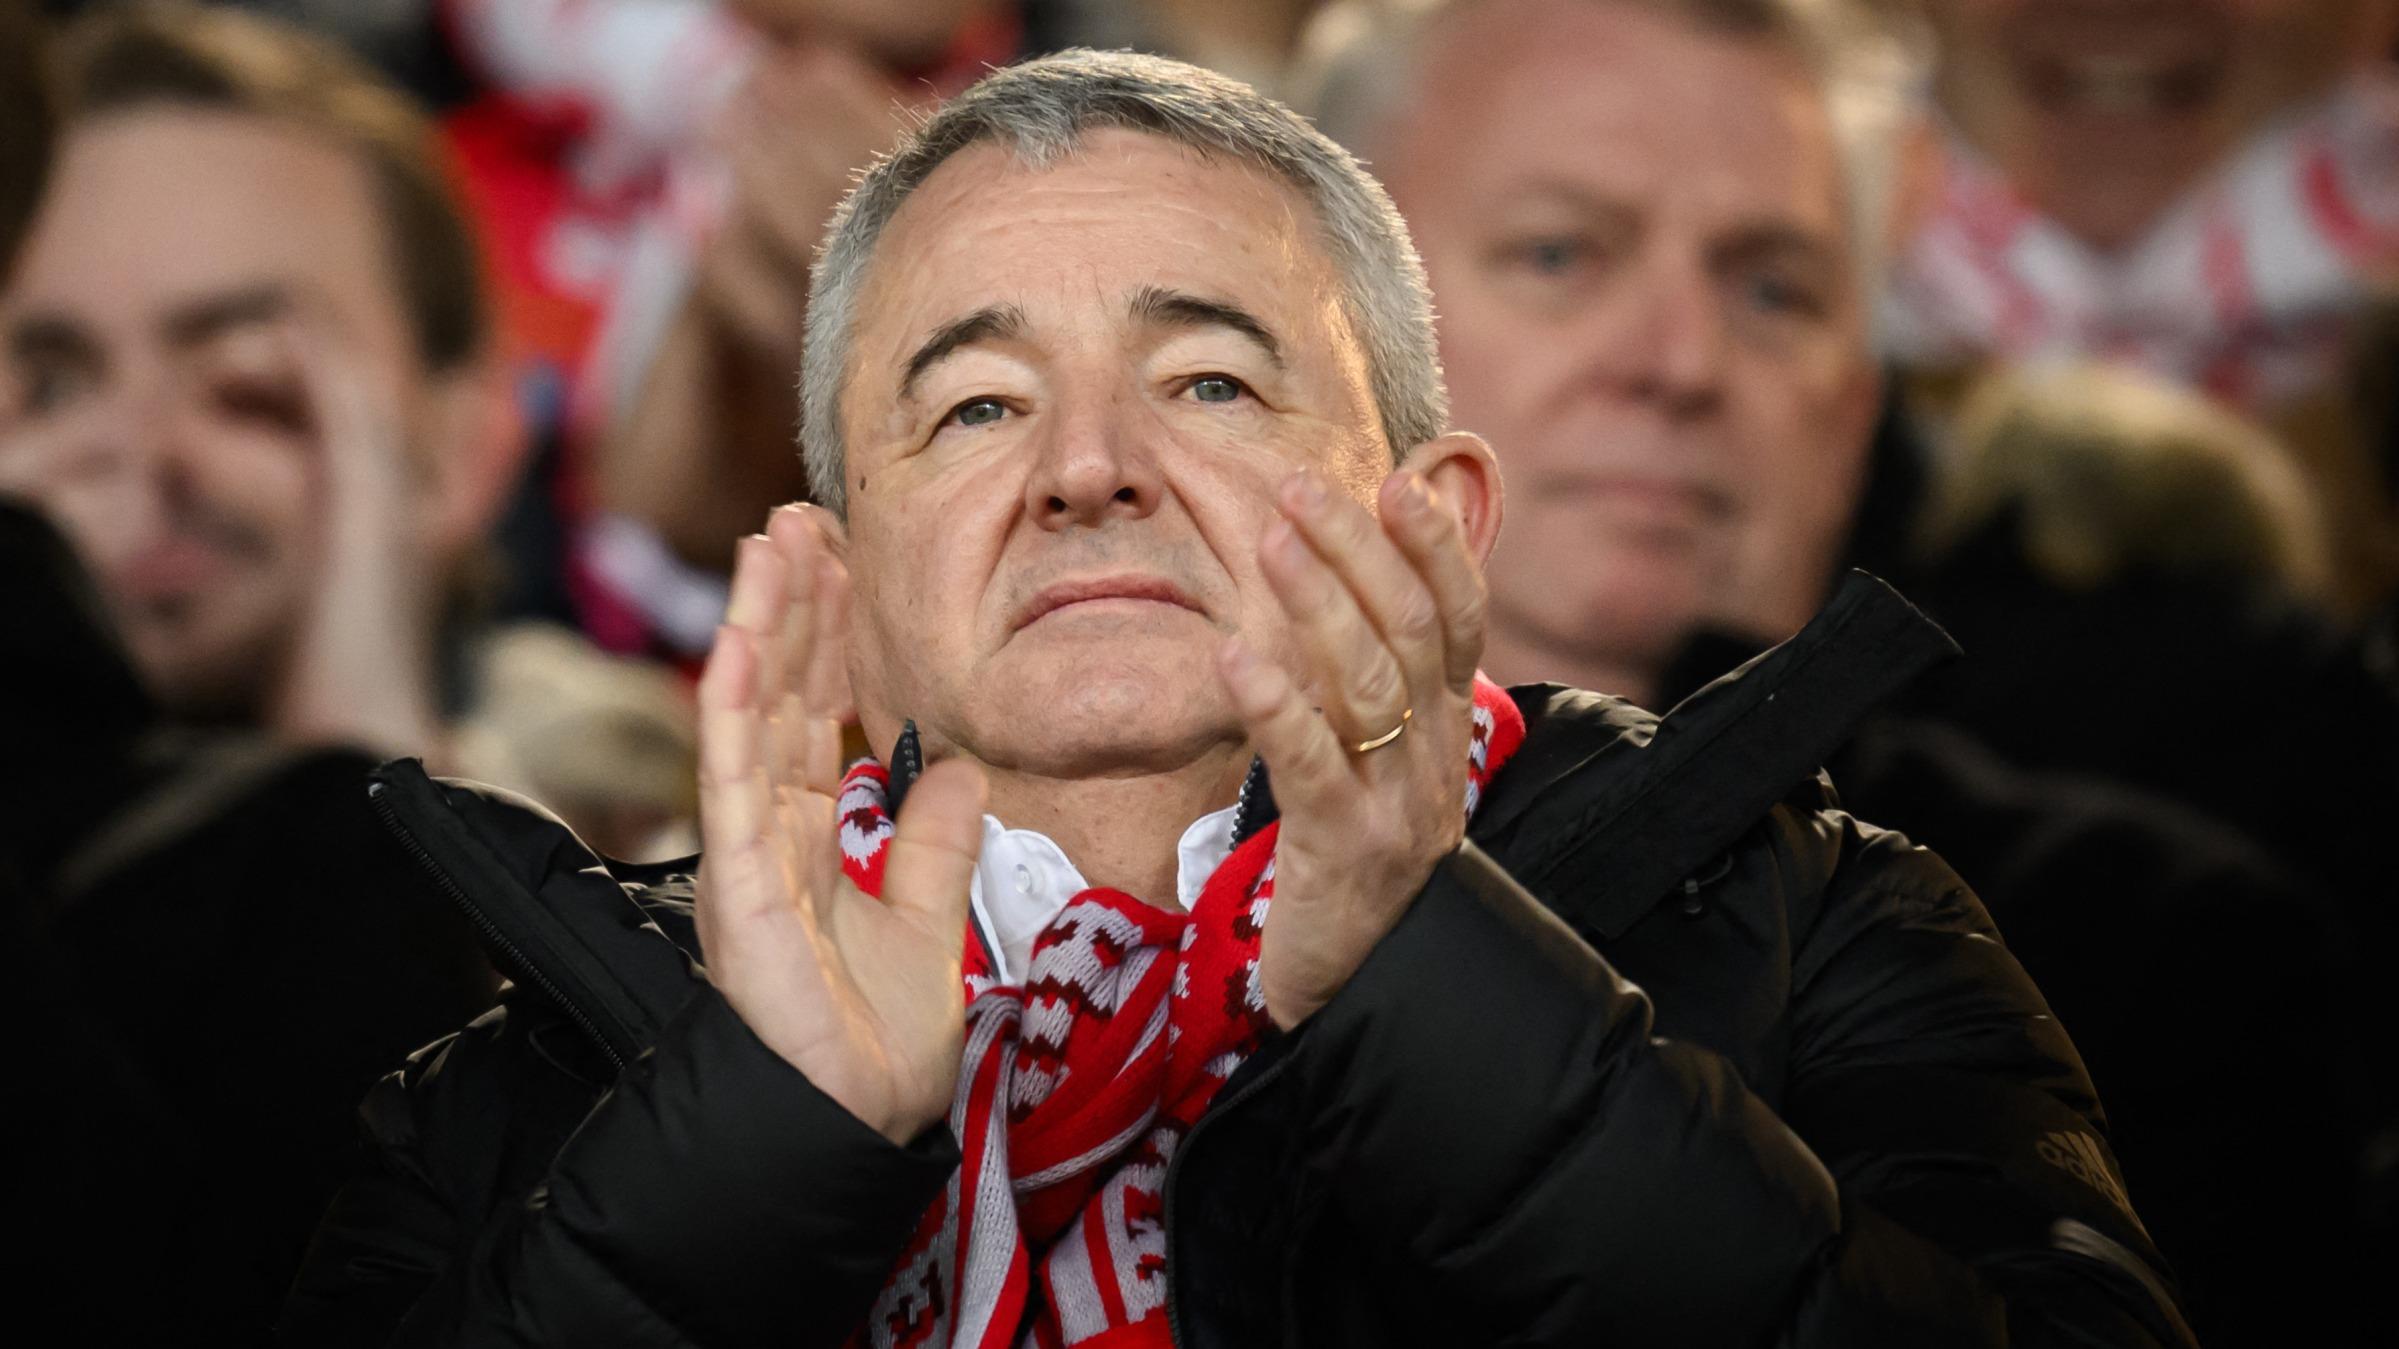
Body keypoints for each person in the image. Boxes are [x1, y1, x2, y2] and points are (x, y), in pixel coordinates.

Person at [283, 48, 2191, 1349]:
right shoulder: (515, 1089)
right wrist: (766, 1136)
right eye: (972, 406)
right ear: (839, 593)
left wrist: (1427, 985)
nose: (1089, 465)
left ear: (1432, 522)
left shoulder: (1834, 932)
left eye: (1206, 380)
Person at [1295, 0, 2378, 1341]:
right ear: (1308, 347)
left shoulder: (2159, 951)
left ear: (1857, 405)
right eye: (1561, 252)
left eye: (1774, 288)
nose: (1681, 363)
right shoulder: (1044, 862)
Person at [0, 3, 497, 1339]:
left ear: (461, 445)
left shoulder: (695, 873)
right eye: (47, 382)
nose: (136, 448)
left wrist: (365, 816)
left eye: (248, 384)